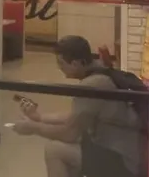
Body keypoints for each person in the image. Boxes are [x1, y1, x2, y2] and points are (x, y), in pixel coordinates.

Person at [12, 35, 142, 177]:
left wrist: (33, 128)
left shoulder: (92, 84)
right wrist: (40, 117)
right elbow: (76, 116)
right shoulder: (100, 71)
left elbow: (70, 133)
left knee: (54, 151)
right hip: (123, 149)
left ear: (75, 64)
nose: (59, 68)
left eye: (61, 63)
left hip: (122, 160)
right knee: (69, 151)